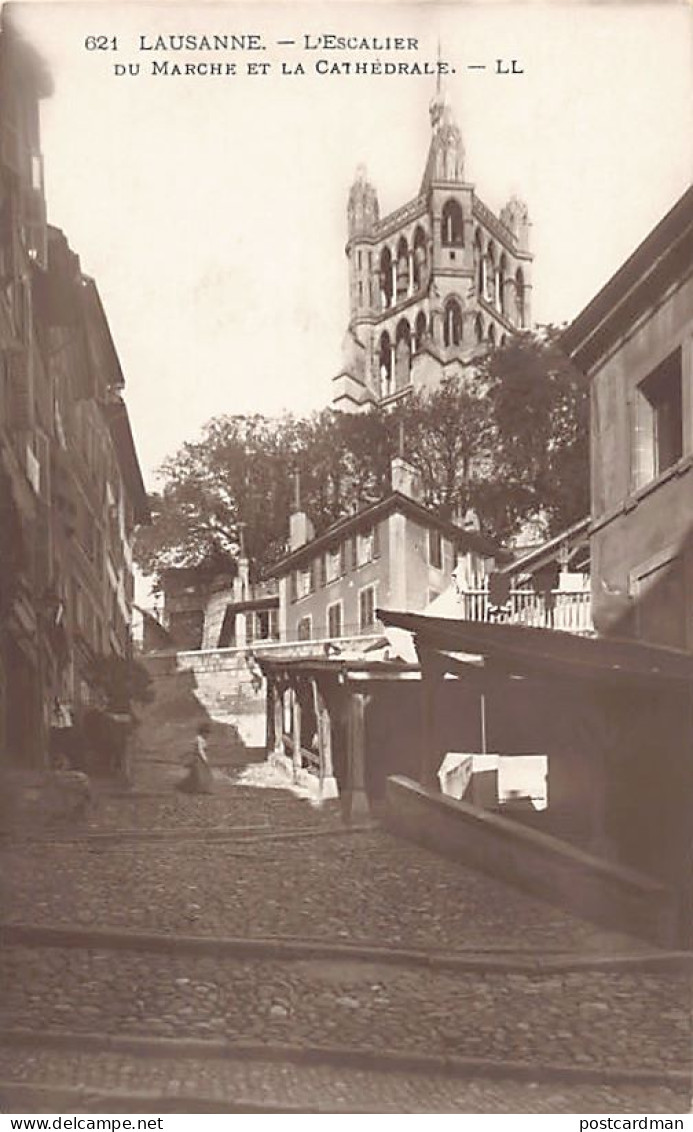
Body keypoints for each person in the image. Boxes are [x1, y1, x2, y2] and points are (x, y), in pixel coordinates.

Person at [176, 721, 214, 794]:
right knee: (200, 774)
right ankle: (198, 789)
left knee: (197, 774)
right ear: (202, 732)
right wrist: (205, 759)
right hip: (198, 759)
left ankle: (198, 788)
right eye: (206, 732)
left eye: (208, 733)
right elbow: (200, 750)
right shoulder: (199, 739)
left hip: (198, 758)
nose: (207, 735)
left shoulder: (202, 739)